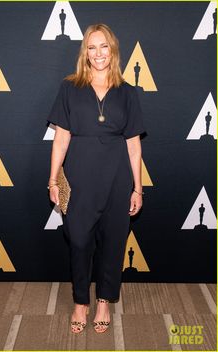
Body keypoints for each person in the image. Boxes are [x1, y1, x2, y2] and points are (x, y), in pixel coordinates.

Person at [47, 23, 146, 334]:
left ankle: (103, 299)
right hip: (79, 177)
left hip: (117, 179)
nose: (98, 53)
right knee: (78, 241)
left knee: (114, 242)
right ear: (85, 53)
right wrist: (53, 180)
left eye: (104, 46)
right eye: (92, 47)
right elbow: (61, 137)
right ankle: (81, 301)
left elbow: (133, 144)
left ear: (113, 51)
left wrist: (138, 188)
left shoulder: (127, 92)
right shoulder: (69, 88)